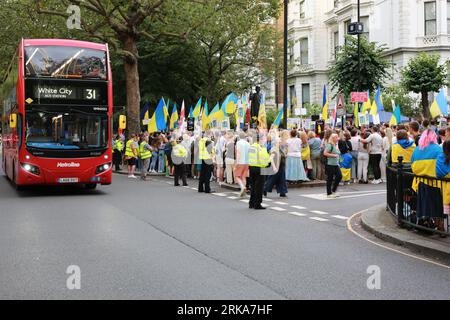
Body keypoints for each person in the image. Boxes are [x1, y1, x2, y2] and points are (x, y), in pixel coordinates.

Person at [248, 134, 270, 209]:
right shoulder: (261, 148)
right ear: (260, 140)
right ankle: (257, 204)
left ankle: (251, 203)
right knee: (259, 187)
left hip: (251, 167)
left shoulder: (251, 146)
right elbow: (265, 158)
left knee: (253, 186)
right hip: (260, 168)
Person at [264, 131, 288, 197]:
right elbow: (271, 158)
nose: (280, 142)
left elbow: (284, 156)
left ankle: (282, 192)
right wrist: (274, 167)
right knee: (271, 180)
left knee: (282, 179)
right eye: (279, 142)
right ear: (276, 143)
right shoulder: (274, 149)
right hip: (275, 166)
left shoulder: (280, 149)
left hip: (281, 166)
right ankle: (264, 189)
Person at [323, 133, 342, 198]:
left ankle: (333, 190)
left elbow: (338, 153)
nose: (338, 139)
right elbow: (325, 153)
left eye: (337, 137)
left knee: (339, 176)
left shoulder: (336, 144)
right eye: (336, 137)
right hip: (330, 164)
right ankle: (329, 193)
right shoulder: (329, 145)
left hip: (336, 164)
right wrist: (333, 155)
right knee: (330, 178)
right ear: (333, 138)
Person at [234, 131, 250, 197]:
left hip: (240, 161)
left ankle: (242, 187)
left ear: (239, 137)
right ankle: (244, 191)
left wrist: (236, 162)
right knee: (243, 176)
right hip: (247, 162)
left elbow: (238, 153)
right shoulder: (248, 143)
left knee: (237, 176)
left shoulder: (238, 143)